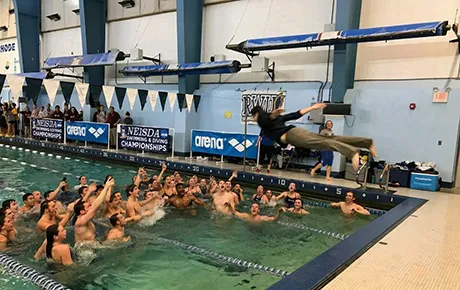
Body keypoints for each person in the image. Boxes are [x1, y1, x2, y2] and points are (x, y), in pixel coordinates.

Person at [250, 104, 377, 170]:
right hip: (296, 132)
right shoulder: (273, 120)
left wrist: (272, 114)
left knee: (324, 144)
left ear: (256, 114)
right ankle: (366, 142)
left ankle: (352, 152)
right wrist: (313, 107)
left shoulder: (261, 119)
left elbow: (265, 119)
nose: (254, 120)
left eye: (253, 117)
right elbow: (295, 115)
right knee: (330, 139)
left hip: (294, 137)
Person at [74, 178, 113, 244]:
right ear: (82, 211)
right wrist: (106, 188)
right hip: (84, 251)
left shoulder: (87, 221)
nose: (91, 206)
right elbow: (95, 206)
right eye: (88, 206)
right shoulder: (80, 221)